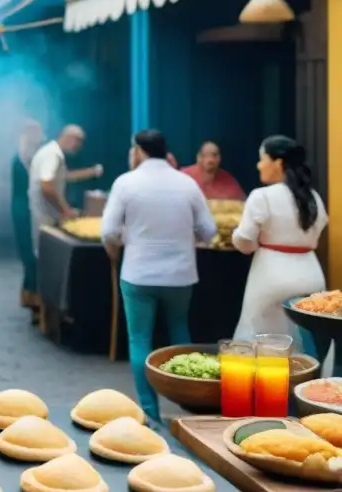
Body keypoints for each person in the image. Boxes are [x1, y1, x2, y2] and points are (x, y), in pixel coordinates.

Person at [100, 130, 217, 423]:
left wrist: (115, 252)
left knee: (140, 339)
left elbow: (109, 232)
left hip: (138, 273)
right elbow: (209, 231)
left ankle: (150, 413)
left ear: (138, 151)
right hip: (180, 274)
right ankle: (188, 408)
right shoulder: (187, 183)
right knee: (180, 335)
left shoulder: (126, 183)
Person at [232, 135, 328, 349]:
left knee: (259, 341)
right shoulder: (313, 197)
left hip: (271, 276)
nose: (259, 165)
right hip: (311, 274)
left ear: (278, 162)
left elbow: (245, 241)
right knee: (304, 344)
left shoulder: (262, 196)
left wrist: (236, 234)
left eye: (262, 158)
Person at [28, 125, 103, 256]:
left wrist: (91, 172)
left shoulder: (51, 152)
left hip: (47, 216)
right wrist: (65, 210)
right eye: (78, 141)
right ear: (69, 138)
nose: (79, 146)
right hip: (47, 217)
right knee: (48, 259)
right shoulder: (52, 154)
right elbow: (47, 186)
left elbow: (65, 177)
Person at [12, 120, 44, 321]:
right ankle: (33, 298)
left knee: (32, 255)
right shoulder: (26, 157)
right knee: (31, 254)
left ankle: (33, 296)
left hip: (27, 208)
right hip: (26, 209)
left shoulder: (28, 155)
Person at [181, 141, 246, 200]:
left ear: (220, 158)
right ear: (198, 157)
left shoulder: (228, 180)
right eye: (205, 155)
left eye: (214, 155)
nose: (210, 159)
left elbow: (243, 202)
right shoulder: (184, 176)